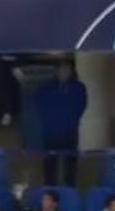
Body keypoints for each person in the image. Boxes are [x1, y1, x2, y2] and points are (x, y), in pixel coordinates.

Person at [33, 58, 88, 187]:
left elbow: (81, 105)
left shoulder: (78, 88)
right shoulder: (46, 88)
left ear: (72, 71)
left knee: (70, 162)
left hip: (70, 131)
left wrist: (72, 121)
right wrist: (48, 122)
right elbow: (39, 105)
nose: (64, 72)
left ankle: (69, 187)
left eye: (67, 69)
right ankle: (49, 188)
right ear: (56, 71)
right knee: (50, 162)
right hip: (51, 132)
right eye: (61, 69)